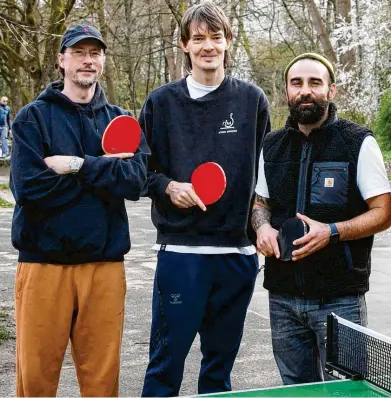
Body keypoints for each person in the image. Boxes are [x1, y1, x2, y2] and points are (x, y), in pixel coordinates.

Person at [138, 2, 270, 396]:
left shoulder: (252, 100)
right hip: (181, 255)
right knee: (165, 365)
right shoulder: (160, 103)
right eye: (198, 38)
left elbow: (264, 173)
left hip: (236, 258)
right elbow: (139, 171)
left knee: (219, 373)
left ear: (228, 42)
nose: (207, 46)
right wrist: (167, 187)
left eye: (215, 37)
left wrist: (261, 226)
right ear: (184, 45)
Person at [9, 24, 148, 397]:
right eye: (79, 53)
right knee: (35, 380)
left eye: (95, 53)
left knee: (102, 384)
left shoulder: (121, 120)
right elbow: (29, 187)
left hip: (103, 266)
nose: (88, 61)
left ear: (103, 61)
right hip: (43, 266)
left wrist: (76, 165)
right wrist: (105, 171)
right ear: (62, 60)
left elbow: (135, 181)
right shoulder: (32, 118)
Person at [251, 53, 391, 385]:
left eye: (315, 82)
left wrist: (331, 232)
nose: (305, 91)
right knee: (297, 392)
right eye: (296, 83)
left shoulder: (358, 141)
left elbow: (383, 213)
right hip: (282, 298)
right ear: (286, 91)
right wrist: (263, 228)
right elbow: (260, 204)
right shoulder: (271, 145)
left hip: (340, 299)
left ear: (331, 90)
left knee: (347, 394)